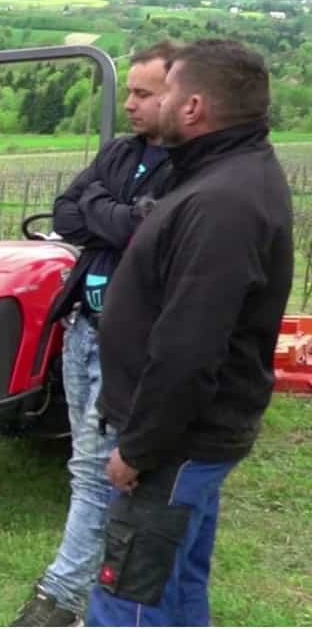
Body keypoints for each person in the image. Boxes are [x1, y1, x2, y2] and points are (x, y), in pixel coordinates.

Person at [87, 39, 292, 626]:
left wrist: (140, 447)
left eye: (167, 91)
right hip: (190, 439)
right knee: (174, 591)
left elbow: (190, 347)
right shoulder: (227, 175)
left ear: (194, 106)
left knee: (129, 597)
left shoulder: (222, 201)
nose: (152, 104)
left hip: (174, 445)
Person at [13, 41, 179, 626]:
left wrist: (106, 213)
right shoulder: (119, 151)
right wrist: (125, 215)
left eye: (143, 94)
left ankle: (63, 596)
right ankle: (97, 580)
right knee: (85, 462)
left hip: (125, 337)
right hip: (81, 324)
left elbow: (151, 233)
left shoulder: (189, 167)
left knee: (97, 466)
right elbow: (64, 213)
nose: (130, 104)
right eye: (128, 91)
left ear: (178, 96)